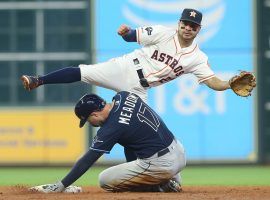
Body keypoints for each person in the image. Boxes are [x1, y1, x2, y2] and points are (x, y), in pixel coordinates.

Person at [21, 8, 233, 102]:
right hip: (126, 67)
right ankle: (38, 80)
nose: (188, 28)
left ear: (199, 30)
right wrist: (125, 33)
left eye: (193, 26)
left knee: (139, 129)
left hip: (140, 89)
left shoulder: (198, 58)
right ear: (179, 23)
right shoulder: (162, 32)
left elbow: (212, 81)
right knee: (83, 72)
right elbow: (133, 36)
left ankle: (145, 176)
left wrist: (229, 84)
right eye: (185, 24)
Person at [30, 91, 186, 193]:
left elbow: (88, 160)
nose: (91, 123)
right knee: (131, 146)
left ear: (94, 114)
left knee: (104, 180)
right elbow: (130, 139)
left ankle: (159, 186)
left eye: (88, 120)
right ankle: (166, 181)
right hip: (178, 152)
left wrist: (61, 185)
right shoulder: (124, 96)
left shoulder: (111, 127)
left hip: (163, 165)